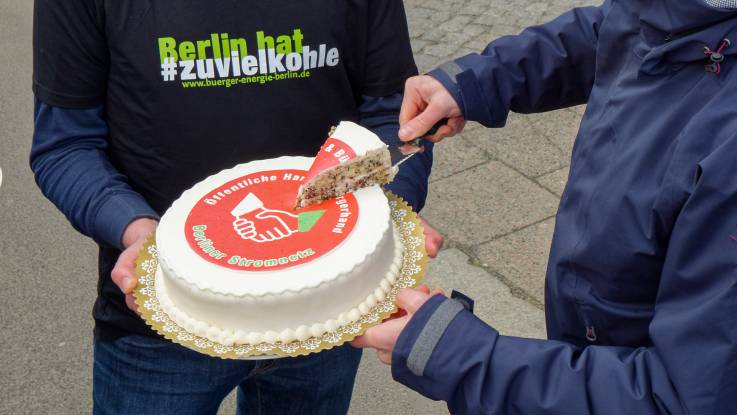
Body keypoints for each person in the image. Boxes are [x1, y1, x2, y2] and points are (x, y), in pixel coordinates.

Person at [30, 1, 444, 413]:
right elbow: (67, 145)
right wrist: (142, 235)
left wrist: (385, 210)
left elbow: (396, 110)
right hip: (168, 317)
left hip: (325, 303)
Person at [352, 1, 737, 414]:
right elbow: (618, 29)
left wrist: (458, 356)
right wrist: (478, 80)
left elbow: (685, 398)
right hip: (592, 338)